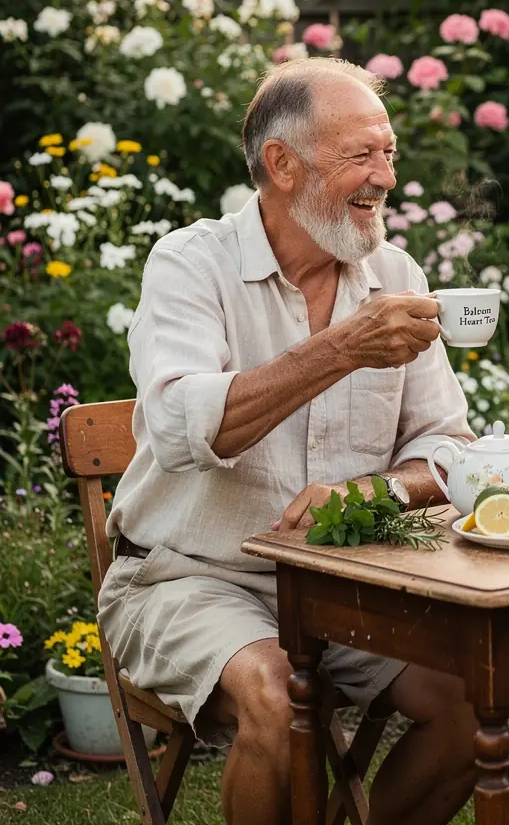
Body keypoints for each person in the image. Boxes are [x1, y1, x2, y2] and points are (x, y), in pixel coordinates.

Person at [98, 58, 479, 825]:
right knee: (280, 697)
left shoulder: (394, 274)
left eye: (390, 152)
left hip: (342, 585)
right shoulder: (190, 263)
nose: (384, 177)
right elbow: (177, 426)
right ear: (282, 164)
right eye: (361, 155)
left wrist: (376, 492)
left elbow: (449, 447)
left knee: (478, 698)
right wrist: (343, 349)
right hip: (185, 579)